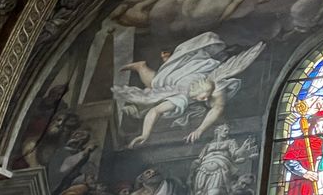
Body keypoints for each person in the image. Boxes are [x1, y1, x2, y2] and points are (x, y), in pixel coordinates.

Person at [113, 33, 264, 147]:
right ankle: (141, 66)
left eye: (206, 96)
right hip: (179, 75)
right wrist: (145, 134)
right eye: (204, 97)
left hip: (198, 68)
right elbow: (155, 111)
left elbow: (218, 108)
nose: (206, 99)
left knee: (155, 85)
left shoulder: (213, 85)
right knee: (156, 83)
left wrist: (200, 129)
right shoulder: (182, 96)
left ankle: (145, 66)